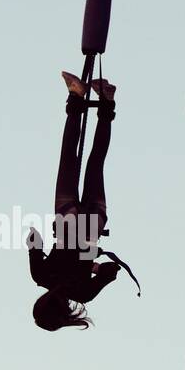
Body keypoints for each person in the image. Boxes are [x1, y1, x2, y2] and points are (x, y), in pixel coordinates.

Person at [28, 71, 139, 330]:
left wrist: (92, 266)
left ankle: (107, 101)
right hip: (67, 223)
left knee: (96, 162)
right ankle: (76, 96)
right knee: (69, 157)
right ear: (42, 302)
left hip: (92, 227)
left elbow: (111, 270)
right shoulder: (41, 276)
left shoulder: (84, 293)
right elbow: (34, 238)